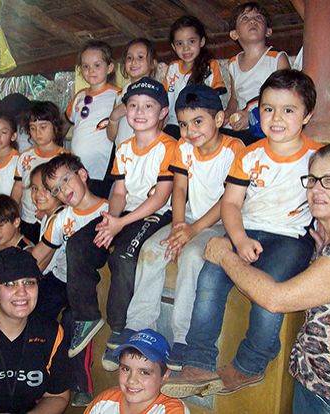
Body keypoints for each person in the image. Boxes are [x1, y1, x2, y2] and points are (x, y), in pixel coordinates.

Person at [161, 69, 321, 398]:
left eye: (288, 110)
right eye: (268, 109)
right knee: (210, 276)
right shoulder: (250, 155)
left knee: (269, 289)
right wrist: (238, 239)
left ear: (307, 115)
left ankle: (251, 363)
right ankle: (198, 361)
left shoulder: (318, 157)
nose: (276, 118)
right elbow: (232, 204)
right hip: (246, 231)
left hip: (291, 238)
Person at [202, 144, 330, 413]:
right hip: (317, 384)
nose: (317, 189)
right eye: (313, 180)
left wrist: (225, 256)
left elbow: (275, 299)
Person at [121, 84, 244, 371]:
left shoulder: (233, 149)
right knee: (152, 250)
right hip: (188, 217)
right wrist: (178, 226)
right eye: (184, 124)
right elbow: (179, 188)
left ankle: (182, 337)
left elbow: (228, 200)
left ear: (219, 119)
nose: (190, 131)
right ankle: (138, 325)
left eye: (198, 121)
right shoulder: (183, 147)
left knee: (190, 257)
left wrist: (193, 231)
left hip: (221, 222)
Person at [66, 78, 175, 359]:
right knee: (78, 244)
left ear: (163, 112)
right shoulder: (124, 148)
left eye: (148, 106)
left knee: (123, 256)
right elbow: (118, 192)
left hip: (157, 214)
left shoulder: (169, 147)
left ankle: (119, 328)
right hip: (125, 213)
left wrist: (120, 225)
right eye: (133, 105)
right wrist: (110, 220)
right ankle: (87, 316)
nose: (139, 112)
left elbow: (160, 197)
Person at [30, 162, 95, 407]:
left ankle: (81, 385)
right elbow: (40, 254)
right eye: (55, 188)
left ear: (82, 175)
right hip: (60, 279)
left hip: (87, 285)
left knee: (73, 320)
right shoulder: (61, 217)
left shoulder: (107, 209)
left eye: (64, 182)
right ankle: (34, 378)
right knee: (33, 312)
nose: (61, 190)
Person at [0, 247, 71, 413]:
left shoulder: (50, 332)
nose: (22, 292)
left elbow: (58, 396)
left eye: (29, 282)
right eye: (10, 284)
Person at [224, 2, 290, 143]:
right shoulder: (233, 64)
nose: (252, 21)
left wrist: (251, 117)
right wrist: (227, 114)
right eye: (245, 18)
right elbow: (234, 99)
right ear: (234, 34)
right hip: (242, 126)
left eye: (258, 17)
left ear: (268, 31)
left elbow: (286, 96)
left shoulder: (276, 58)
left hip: (266, 124)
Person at [85, 329, 189, 414]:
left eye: (144, 372)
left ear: (165, 375)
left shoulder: (171, 410)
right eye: (126, 369)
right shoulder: (104, 402)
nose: (131, 380)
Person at [67, 40, 120, 198]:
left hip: (102, 168)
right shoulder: (79, 96)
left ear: (110, 67)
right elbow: (68, 122)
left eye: (97, 65)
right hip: (77, 167)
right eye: (85, 66)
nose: (91, 70)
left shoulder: (118, 95)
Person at [163, 16, 226, 139]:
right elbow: (164, 99)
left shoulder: (210, 66)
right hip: (175, 124)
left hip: (201, 125)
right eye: (179, 43)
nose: (185, 48)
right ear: (173, 46)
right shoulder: (172, 68)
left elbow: (218, 99)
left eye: (191, 41)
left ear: (201, 41)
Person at [11, 101, 65, 244]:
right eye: (32, 128)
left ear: (55, 126)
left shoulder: (64, 158)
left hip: (53, 220)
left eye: (43, 127)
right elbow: (18, 187)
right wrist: (12, 212)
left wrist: (48, 212)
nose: (37, 133)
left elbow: (68, 194)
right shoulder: (25, 157)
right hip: (27, 219)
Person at [108, 38, 158, 146]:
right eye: (129, 57)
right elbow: (111, 137)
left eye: (140, 57)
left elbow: (160, 127)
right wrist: (114, 117)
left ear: (152, 63)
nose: (133, 62)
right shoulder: (120, 94)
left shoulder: (156, 91)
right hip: (121, 153)